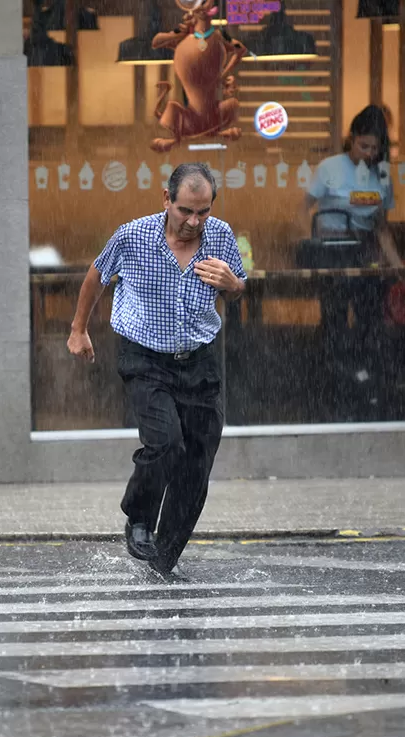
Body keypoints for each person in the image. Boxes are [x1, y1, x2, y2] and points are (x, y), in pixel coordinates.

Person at [67, 163, 245, 578]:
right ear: (166, 200)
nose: (194, 221)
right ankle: (140, 518)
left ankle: (164, 562)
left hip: (199, 361)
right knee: (166, 443)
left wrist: (233, 285)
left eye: (203, 212)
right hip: (145, 358)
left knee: (196, 465)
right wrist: (79, 330)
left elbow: (238, 288)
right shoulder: (133, 236)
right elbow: (97, 275)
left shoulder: (220, 236)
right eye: (186, 210)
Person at [300, 105, 403, 268]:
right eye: (363, 146)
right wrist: (311, 241)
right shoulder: (329, 168)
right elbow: (301, 209)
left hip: (365, 253)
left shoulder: (382, 176)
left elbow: (382, 229)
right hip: (330, 252)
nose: (369, 153)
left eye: (374, 148)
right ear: (352, 139)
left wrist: (398, 267)